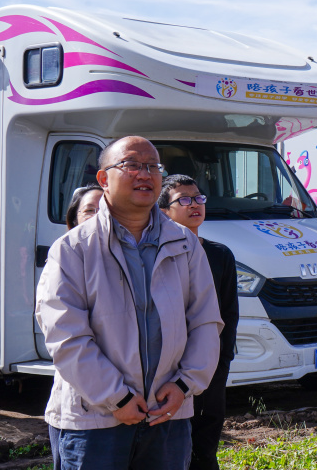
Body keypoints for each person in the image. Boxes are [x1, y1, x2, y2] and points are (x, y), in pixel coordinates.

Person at [36, 136, 222, 470]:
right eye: (132, 165)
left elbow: (206, 321)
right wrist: (117, 397)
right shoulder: (73, 249)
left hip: (167, 415)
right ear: (103, 179)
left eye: (153, 167)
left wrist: (184, 385)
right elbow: (65, 335)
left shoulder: (185, 244)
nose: (145, 174)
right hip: (95, 420)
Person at [159, 174, 239, 470]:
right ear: (163, 210)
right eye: (184, 199)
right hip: (167, 367)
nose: (194, 204)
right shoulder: (159, 253)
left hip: (210, 365)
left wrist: (222, 359)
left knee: (206, 442)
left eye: (198, 198)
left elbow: (228, 313)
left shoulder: (219, 254)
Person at [47, 183, 106, 469]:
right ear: (73, 220)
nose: (98, 216)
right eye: (89, 211)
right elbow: (67, 337)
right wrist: (118, 396)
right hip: (80, 411)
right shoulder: (65, 257)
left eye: (104, 210)